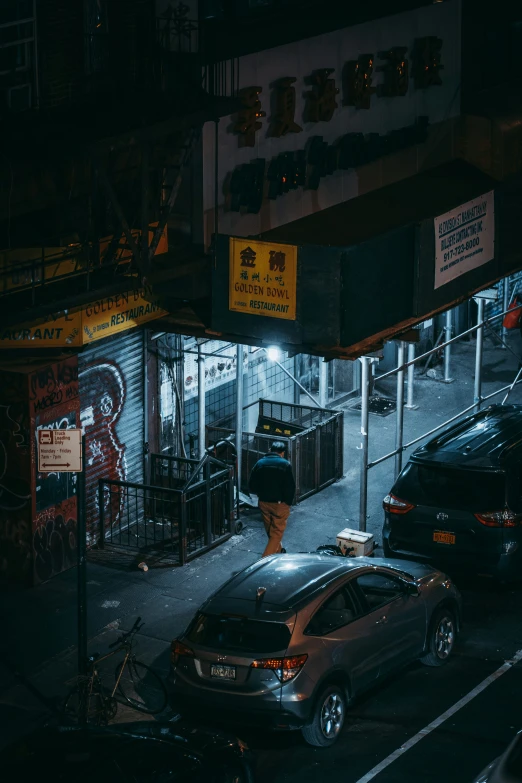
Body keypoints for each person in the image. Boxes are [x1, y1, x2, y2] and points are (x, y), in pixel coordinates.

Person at [249, 441, 296, 557]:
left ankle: (279, 552)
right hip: (279, 504)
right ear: (283, 453)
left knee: (271, 531)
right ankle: (263, 561)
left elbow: (252, 484)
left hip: (264, 502)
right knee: (276, 533)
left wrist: (260, 494)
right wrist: (288, 503)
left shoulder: (259, 463)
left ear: (270, 449)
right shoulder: (285, 465)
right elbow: (290, 487)